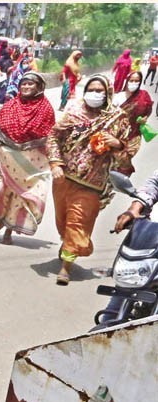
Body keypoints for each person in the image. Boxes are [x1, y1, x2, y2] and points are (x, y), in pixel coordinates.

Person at [47, 74, 139, 285]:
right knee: (63, 222)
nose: (95, 94)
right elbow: (54, 136)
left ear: (108, 93)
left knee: (77, 223)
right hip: (64, 177)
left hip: (92, 184)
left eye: (100, 91)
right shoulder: (73, 112)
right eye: (92, 89)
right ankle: (68, 244)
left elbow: (127, 153)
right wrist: (55, 163)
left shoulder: (117, 118)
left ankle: (66, 267)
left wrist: (117, 144)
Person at [0, 72, 56, 244]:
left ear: (39, 87)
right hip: (5, 157)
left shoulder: (45, 109)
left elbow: (51, 137)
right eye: (24, 84)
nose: (27, 87)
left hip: (31, 161)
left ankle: (8, 229)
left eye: (31, 84)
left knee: (19, 196)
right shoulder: (10, 105)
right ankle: (0, 221)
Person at [112, 71, 153, 176]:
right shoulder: (118, 97)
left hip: (134, 134)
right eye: (132, 80)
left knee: (127, 154)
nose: (134, 83)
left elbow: (148, 110)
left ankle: (121, 175)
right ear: (127, 81)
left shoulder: (144, 95)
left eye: (137, 81)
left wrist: (145, 118)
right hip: (118, 133)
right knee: (115, 156)